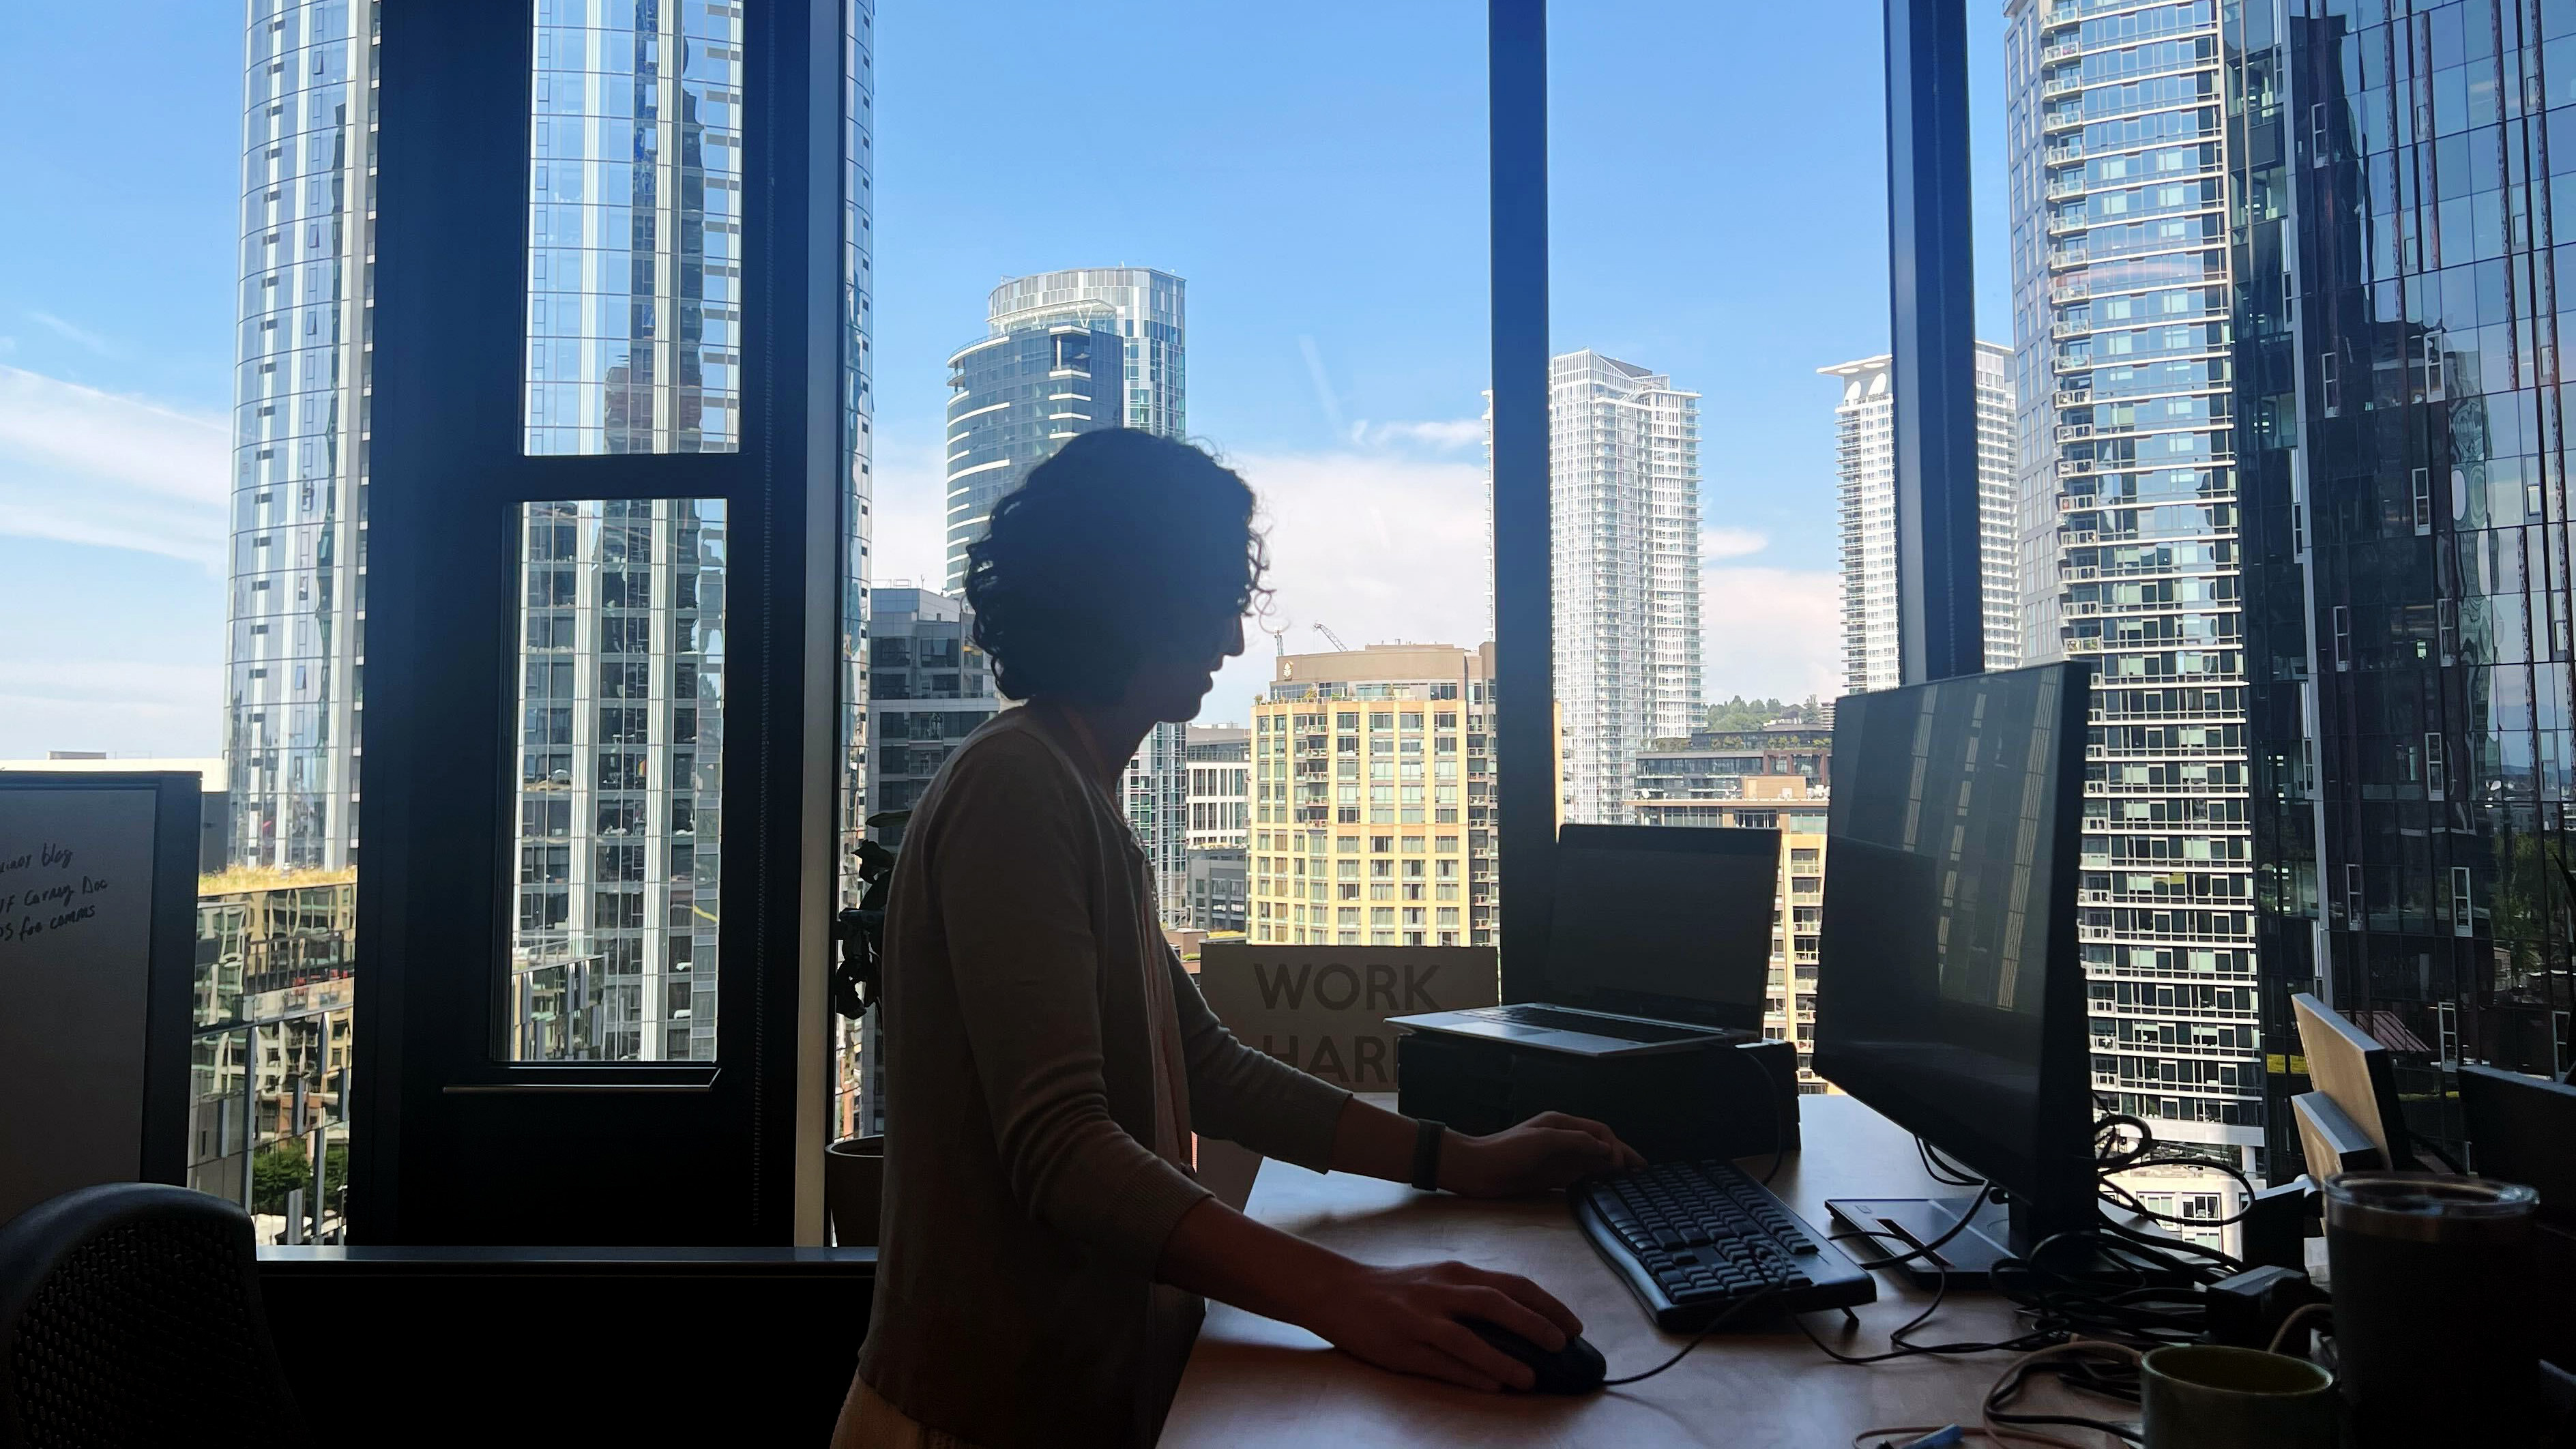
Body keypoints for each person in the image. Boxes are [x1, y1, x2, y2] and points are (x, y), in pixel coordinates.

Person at [836, 430, 1643, 1449]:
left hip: (1076, 1400)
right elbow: (1064, 1153)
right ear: (1142, 599)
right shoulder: (1017, 787)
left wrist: (1460, 1161)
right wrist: (1352, 1299)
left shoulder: (1072, 788)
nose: (1230, 639)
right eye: (1218, 599)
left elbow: (1209, 1070)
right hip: (979, 1417)